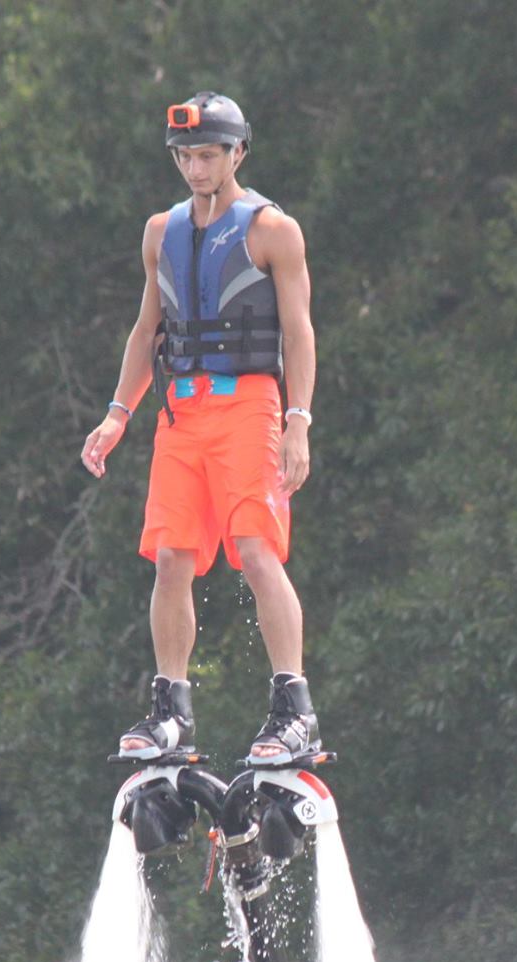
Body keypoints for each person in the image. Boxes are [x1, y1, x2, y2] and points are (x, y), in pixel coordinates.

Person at [80, 91, 323, 767]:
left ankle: (293, 707)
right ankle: (171, 712)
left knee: (253, 547)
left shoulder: (273, 230)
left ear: (237, 152)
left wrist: (297, 423)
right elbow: (146, 329)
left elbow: (299, 335)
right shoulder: (162, 232)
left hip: (249, 406)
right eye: (185, 155)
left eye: (208, 154)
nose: (195, 167)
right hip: (181, 413)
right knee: (170, 558)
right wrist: (117, 413)